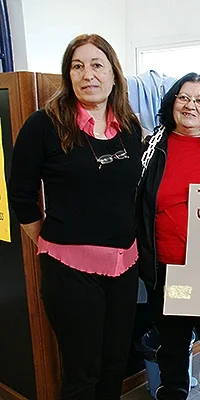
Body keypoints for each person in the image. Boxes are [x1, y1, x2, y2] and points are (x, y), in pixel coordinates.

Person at [8, 34, 142, 399]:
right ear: (68, 76)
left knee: (115, 364)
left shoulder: (129, 128)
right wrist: (54, 244)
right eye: (78, 66)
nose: (88, 75)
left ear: (114, 74)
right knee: (82, 374)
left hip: (124, 268)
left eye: (97, 65)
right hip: (70, 272)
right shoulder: (44, 125)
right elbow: (20, 195)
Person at [136, 72, 200, 400]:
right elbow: (136, 201)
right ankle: (175, 392)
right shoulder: (152, 149)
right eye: (184, 98)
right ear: (172, 102)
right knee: (175, 342)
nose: (191, 106)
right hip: (171, 271)